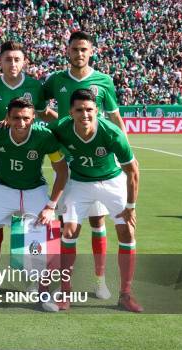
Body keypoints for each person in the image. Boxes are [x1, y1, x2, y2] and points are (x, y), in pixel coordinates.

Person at [0, 41, 58, 282]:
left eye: (17, 59)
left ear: (24, 61)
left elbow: (46, 114)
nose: (13, 64)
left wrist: (70, 126)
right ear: (0, 61)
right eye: (8, 59)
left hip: (27, 162)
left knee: (30, 226)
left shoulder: (35, 86)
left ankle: (28, 273)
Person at [43, 31, 127, 299]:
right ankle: (61, 281)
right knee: (65, 224)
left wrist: (125, 151)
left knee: (97, 219)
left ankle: (100, 280)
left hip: (100, 165)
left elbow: (114, 118)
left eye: (83, 49)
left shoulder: (103, 81)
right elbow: (39, 106)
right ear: (67, 51)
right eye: (74, 49)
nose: (79, 54)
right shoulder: (56, 80)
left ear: (91, 51)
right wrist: (61, 122)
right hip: (69, 164)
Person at [49, 89, 142, 313]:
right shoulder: (61, 128)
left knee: (127, 232)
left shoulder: (111, 132)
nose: (85, 114)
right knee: (69, 232)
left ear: (97, 111)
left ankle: (125, 295)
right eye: (79, 110)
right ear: (70, 112)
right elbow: (39, 137)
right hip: (79, 182)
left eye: (89, 110)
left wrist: (131, 207)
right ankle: (65, 293)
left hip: (112, 181)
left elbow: (133, 171)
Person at [0, 98, 68, 312]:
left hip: (34, 190)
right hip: (2, 188)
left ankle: (44, 293)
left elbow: (62, 171)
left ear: (33, 118)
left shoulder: (44, 137)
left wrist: (51, 205)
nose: (21, 122)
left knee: (49, 237)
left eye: (26, 118)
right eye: (16, 118)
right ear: (7, 118)